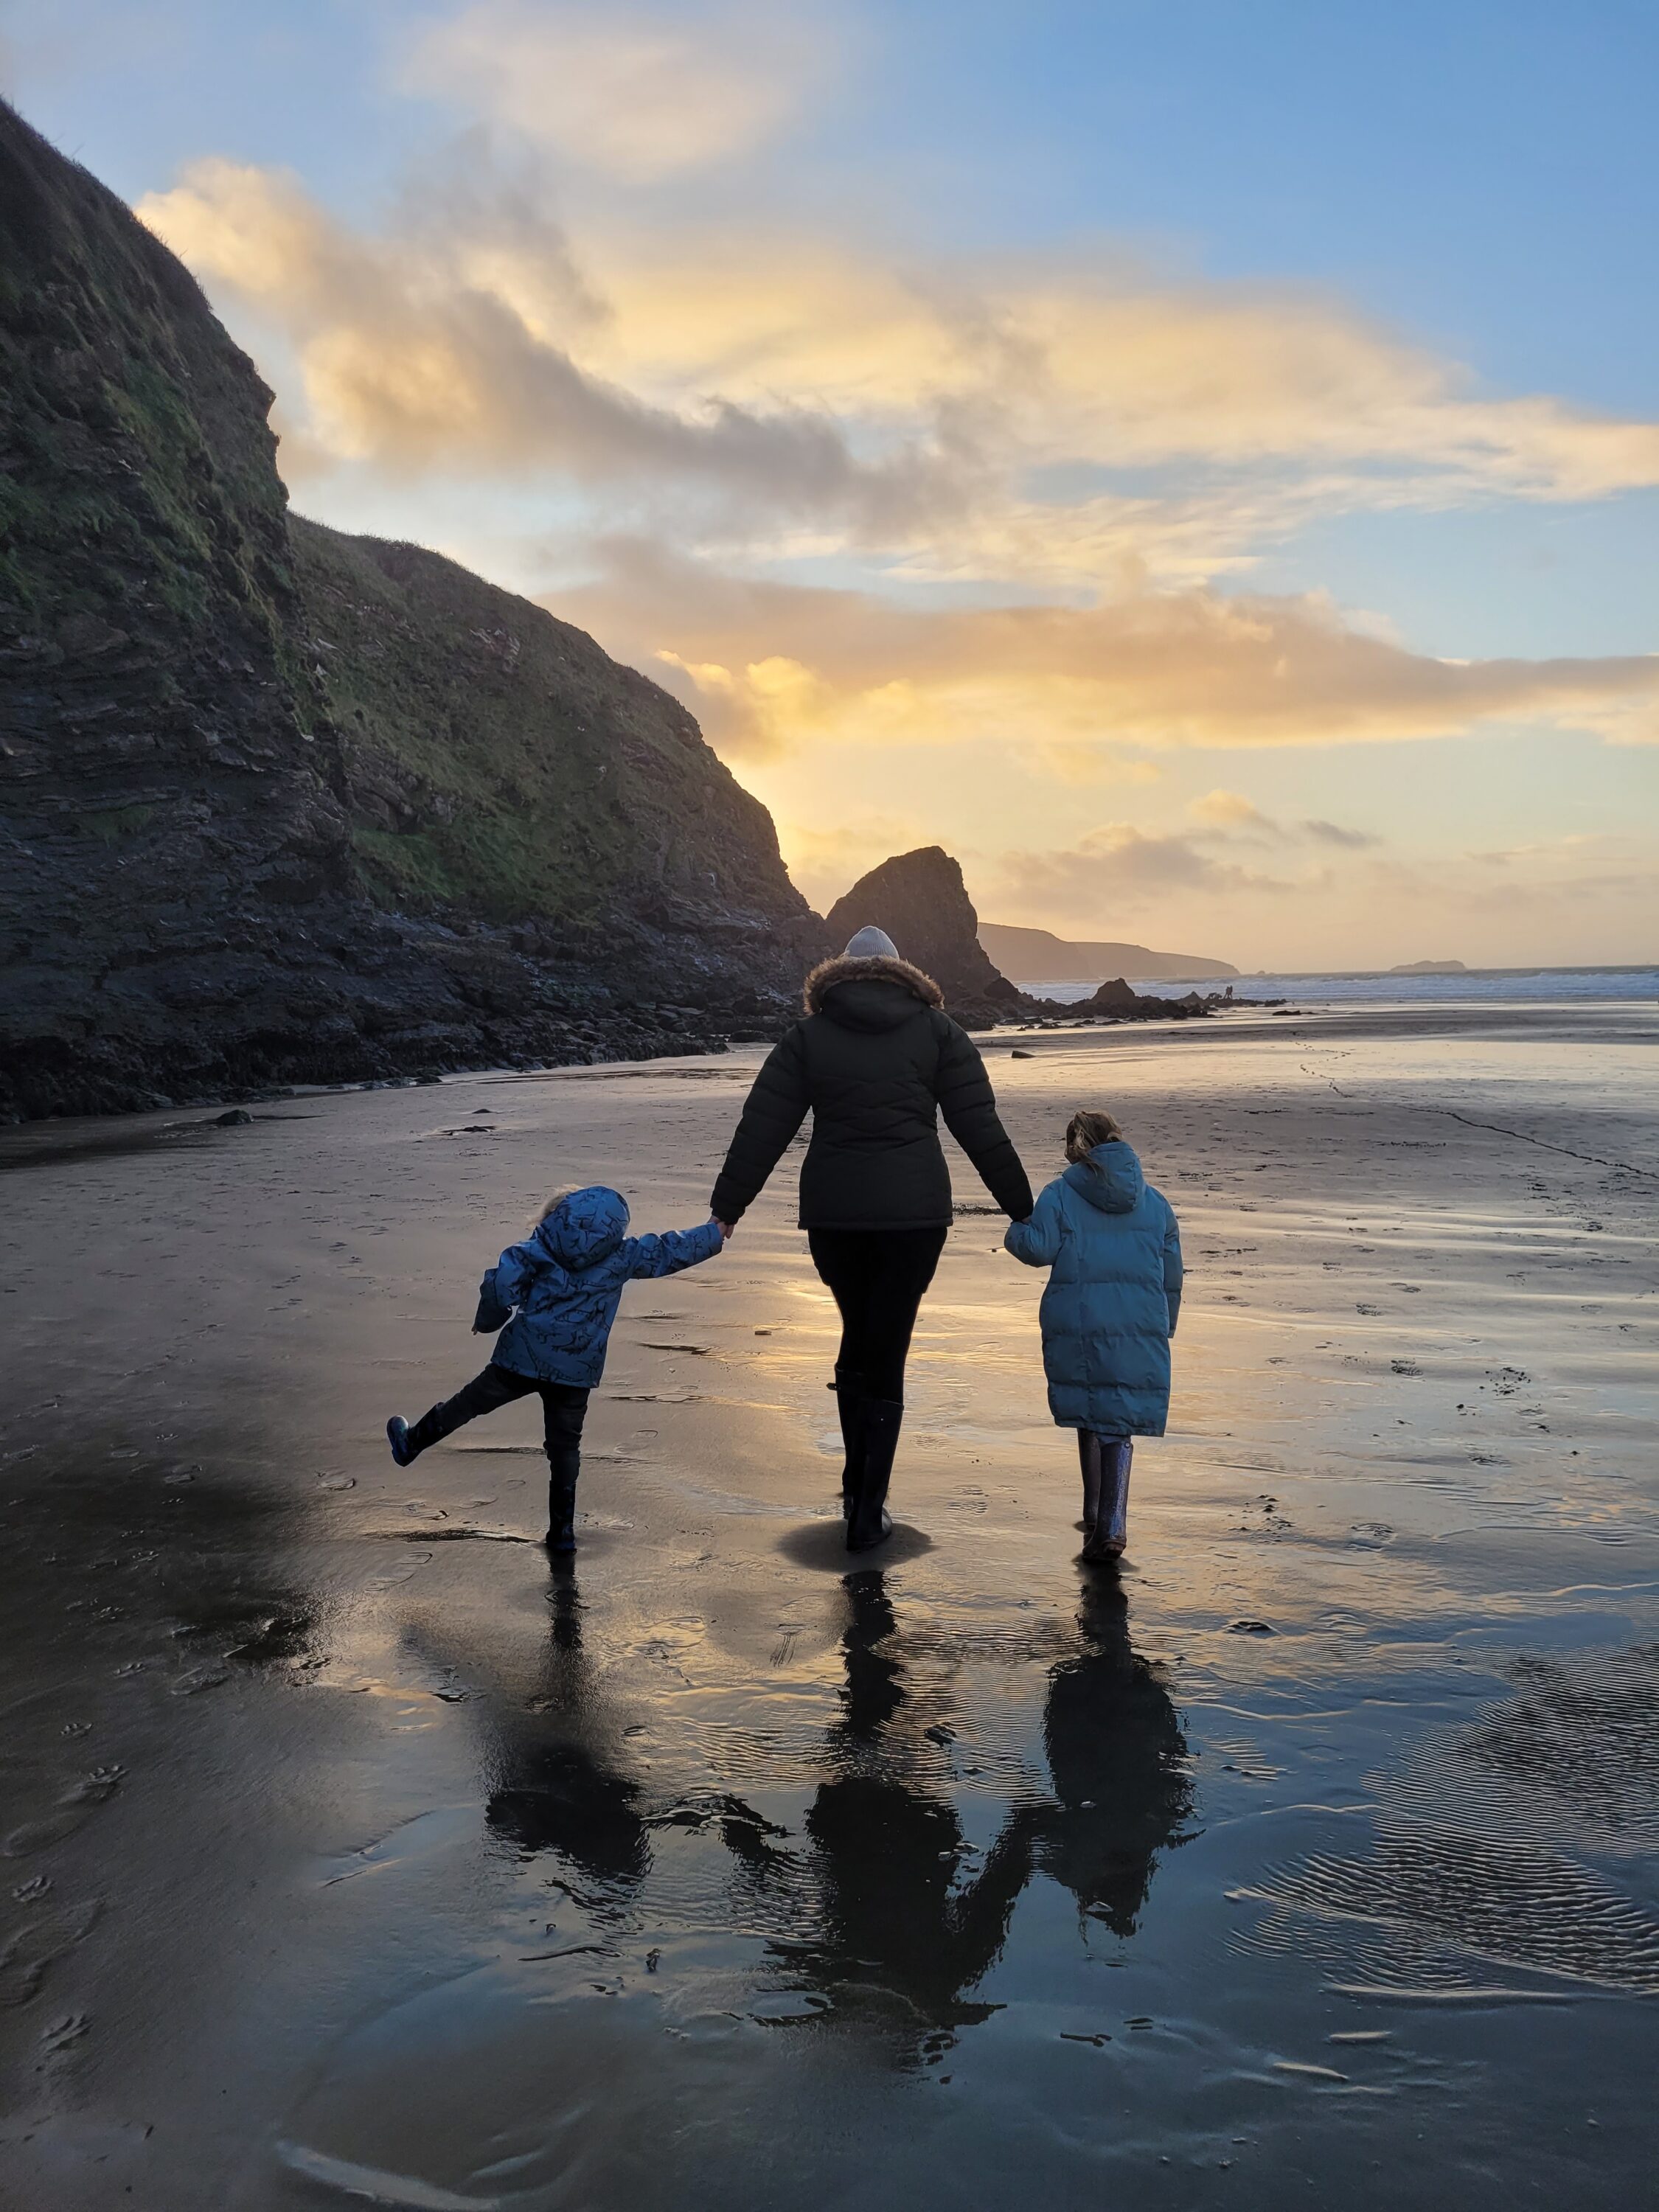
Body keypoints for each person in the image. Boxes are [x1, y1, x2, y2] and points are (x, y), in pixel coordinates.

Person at [711, 925, 1032, 1552]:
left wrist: (728, 1209)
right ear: (899, 969)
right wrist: (1022, 1209)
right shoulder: (940, 1033)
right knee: (888, 1346)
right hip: (915, 1220)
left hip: (835, 1218)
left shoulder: (808, 1036)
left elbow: (763, 1127)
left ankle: (857, 1492)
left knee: (858, 1334)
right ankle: (867, 1508)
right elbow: (979, 1127)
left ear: (841, 973)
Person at [385, 1186, 726, 1551]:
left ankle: (412, 1443)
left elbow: (500, 1289)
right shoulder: (623, 1255)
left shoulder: (535, 1249)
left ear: (555, 1216)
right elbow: (668, 1250)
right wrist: (714, 1231)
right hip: (576, 1369)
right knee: (565, 1448)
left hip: (522, 1358)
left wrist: (487, 1322)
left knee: (468, 1404)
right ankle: (561, 1533)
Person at [1004, 1110, 1182, 1562]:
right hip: (1140, 1326)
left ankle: (1097, 1517)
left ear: (1077, 1147)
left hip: (1081, 1324)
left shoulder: (1060, 1194)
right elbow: (1172, 1275)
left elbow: (1037, 1249)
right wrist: (1166, 1326)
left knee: (1090, 1413)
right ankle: (1112, 1523)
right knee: (1118, 1423)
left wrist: (1014, 1230)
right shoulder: (1156, 1202)